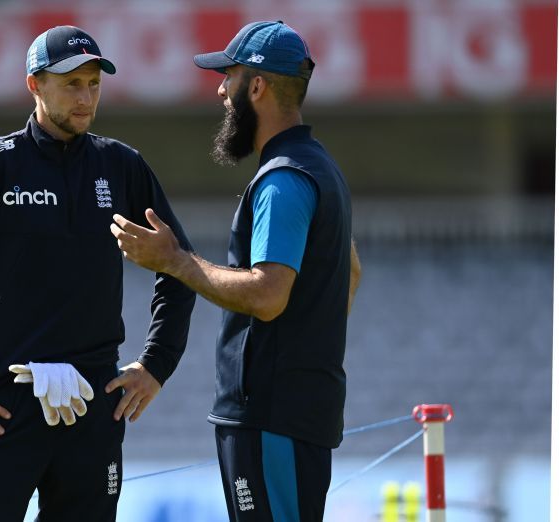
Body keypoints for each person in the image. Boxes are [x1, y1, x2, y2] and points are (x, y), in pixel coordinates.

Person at [0, 25, 195, 522]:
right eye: (71, 83)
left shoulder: (121, 166)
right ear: (34, 85)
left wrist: (156, 364)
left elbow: (180, 266)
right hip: (1, 412)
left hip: (94, 407)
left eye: (94, 83)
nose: (86, 97)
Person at [110, 20, 361, 522]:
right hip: (297, 411)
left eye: (229, 76)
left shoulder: (282, 179)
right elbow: (349, 271)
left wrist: (174, 261)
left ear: (258, 85)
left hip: (271, 416)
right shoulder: (320, 166)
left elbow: (269, 296)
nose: (222, 90)